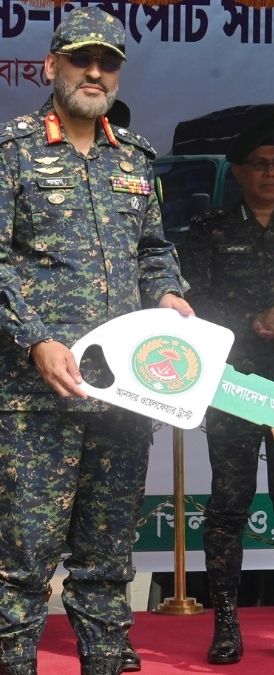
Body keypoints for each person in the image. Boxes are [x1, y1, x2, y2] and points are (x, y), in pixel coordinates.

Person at [0, 8, 193, 675]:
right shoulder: (13, 150)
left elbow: (153, 249)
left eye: (108, 62)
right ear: (50, 66)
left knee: (107, 563)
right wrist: (36, 339)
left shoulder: (134, 157)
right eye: (81, 59)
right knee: (21, 565)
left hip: (122, 394)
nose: (94, 71)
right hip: (35, 399)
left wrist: (166, 293)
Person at [179, 114, 274, 666]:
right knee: (228, 507)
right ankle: (225, 627)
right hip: (233, 387)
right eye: (259, 164)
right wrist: (252, 320)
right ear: (238, 172)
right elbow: (193, 302)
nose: (270, 173)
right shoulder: (209, 229)